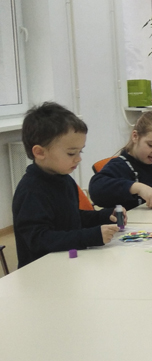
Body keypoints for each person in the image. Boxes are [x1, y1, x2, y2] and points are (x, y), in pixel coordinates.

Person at [13, 102, 121, 267]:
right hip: (42, 271)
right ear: (40, 152)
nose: (78, 158)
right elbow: (39, 240)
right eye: (71, 153)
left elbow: (71, 218)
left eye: (80, 151)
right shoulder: (30, 191)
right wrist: (90, 236)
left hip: (67, 263)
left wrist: (104, 216)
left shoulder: (63, 178)